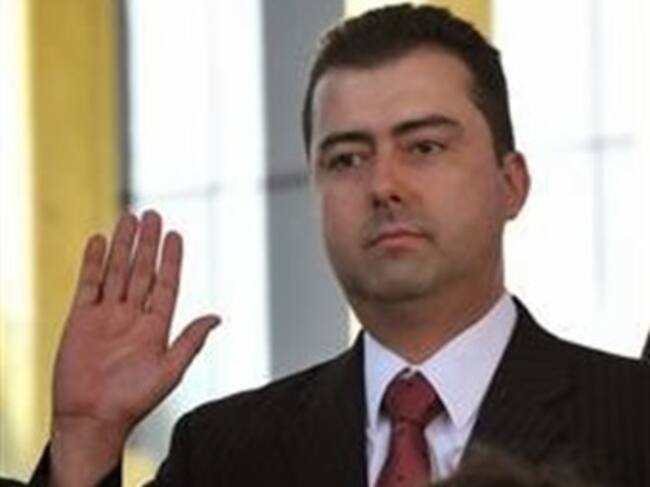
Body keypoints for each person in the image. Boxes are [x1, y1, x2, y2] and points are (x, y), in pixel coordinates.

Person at [29, 4, 650, 487]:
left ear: (511, 183)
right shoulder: (224, 453)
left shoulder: (632, 419)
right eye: (347, 158)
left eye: (424, 146)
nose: (383, 185)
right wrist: (87, 439)